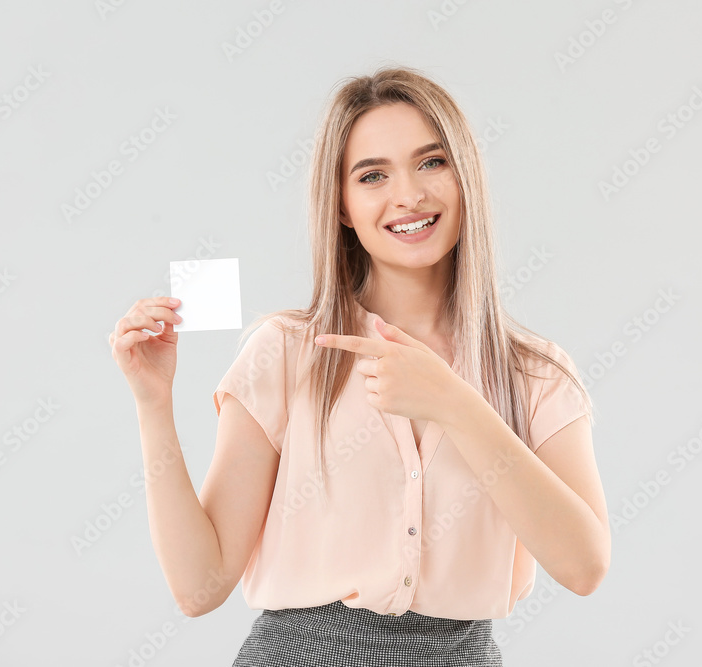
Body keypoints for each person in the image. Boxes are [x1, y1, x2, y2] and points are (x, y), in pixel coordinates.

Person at [110, 65, 610, 666]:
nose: (408, 195)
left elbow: (583, 567)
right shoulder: (286, 350)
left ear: (466, 177)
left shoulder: (535, 375)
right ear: (343, 206)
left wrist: (452, 402)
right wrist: (152, 404)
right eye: (373, 175)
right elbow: (199, 587)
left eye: (432, 162)